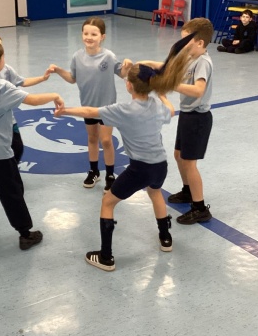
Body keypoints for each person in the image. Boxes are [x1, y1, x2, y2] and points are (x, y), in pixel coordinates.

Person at [54, 39, 194, 271]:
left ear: (129, 86)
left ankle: (106, 257)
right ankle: (165, 238)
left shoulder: (122, 110)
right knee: (155, 193)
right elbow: (170, 111)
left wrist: (65, 110)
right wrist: (162, 95)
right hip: (160, 165)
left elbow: (90, 111)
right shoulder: (157, 106)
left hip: (139, 168)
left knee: (107, 202)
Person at [0, 39, 64, 252]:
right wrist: (55, 95)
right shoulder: (1, 87)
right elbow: (32, 100)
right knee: (12, 194)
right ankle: (25, 234)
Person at [48, 17, 132, 192]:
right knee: (92, 138)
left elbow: (122, 73)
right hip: (87, 106)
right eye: (86, 33)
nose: (89, 37)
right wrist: (58, 70)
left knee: (106, 140)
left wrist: (127, 66)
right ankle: (94, 171)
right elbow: (72, 78)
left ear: (102, 37)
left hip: (107, 107)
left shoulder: (108, 56)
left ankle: (110, 174)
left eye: (94, 34)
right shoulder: (77, 56)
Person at [0, 31, 51, 162]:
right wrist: (54, 96)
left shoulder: (6, 70)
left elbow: (22, 81)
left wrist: (42, 78)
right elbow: (33, 100)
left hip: (8, 120)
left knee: (17, 148)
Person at [168, 18, 215, 225]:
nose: (182, 44)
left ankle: (200, 208)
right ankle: (188, 191)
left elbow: (198, 90)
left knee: (189, 162)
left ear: (200, 43)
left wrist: (171, 84)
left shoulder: (202, 62)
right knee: (179, 155)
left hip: (198, 118)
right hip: (187, 114)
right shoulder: (190, 56)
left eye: (185, 41)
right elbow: (170, 69)